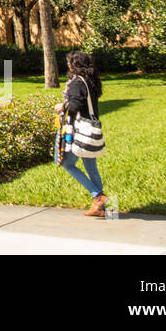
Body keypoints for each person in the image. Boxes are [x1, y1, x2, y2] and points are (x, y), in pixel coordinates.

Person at [54, 50, 107, 217]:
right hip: (91, 129)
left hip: (79, 131)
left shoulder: (76, 83)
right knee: (91, 168)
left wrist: (62, 106)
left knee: (67, 164)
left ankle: (97, 196)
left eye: (69, 62)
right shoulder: (90, 82)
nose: (67, 65)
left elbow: (75, 105)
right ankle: (100, 207)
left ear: (74, 65)